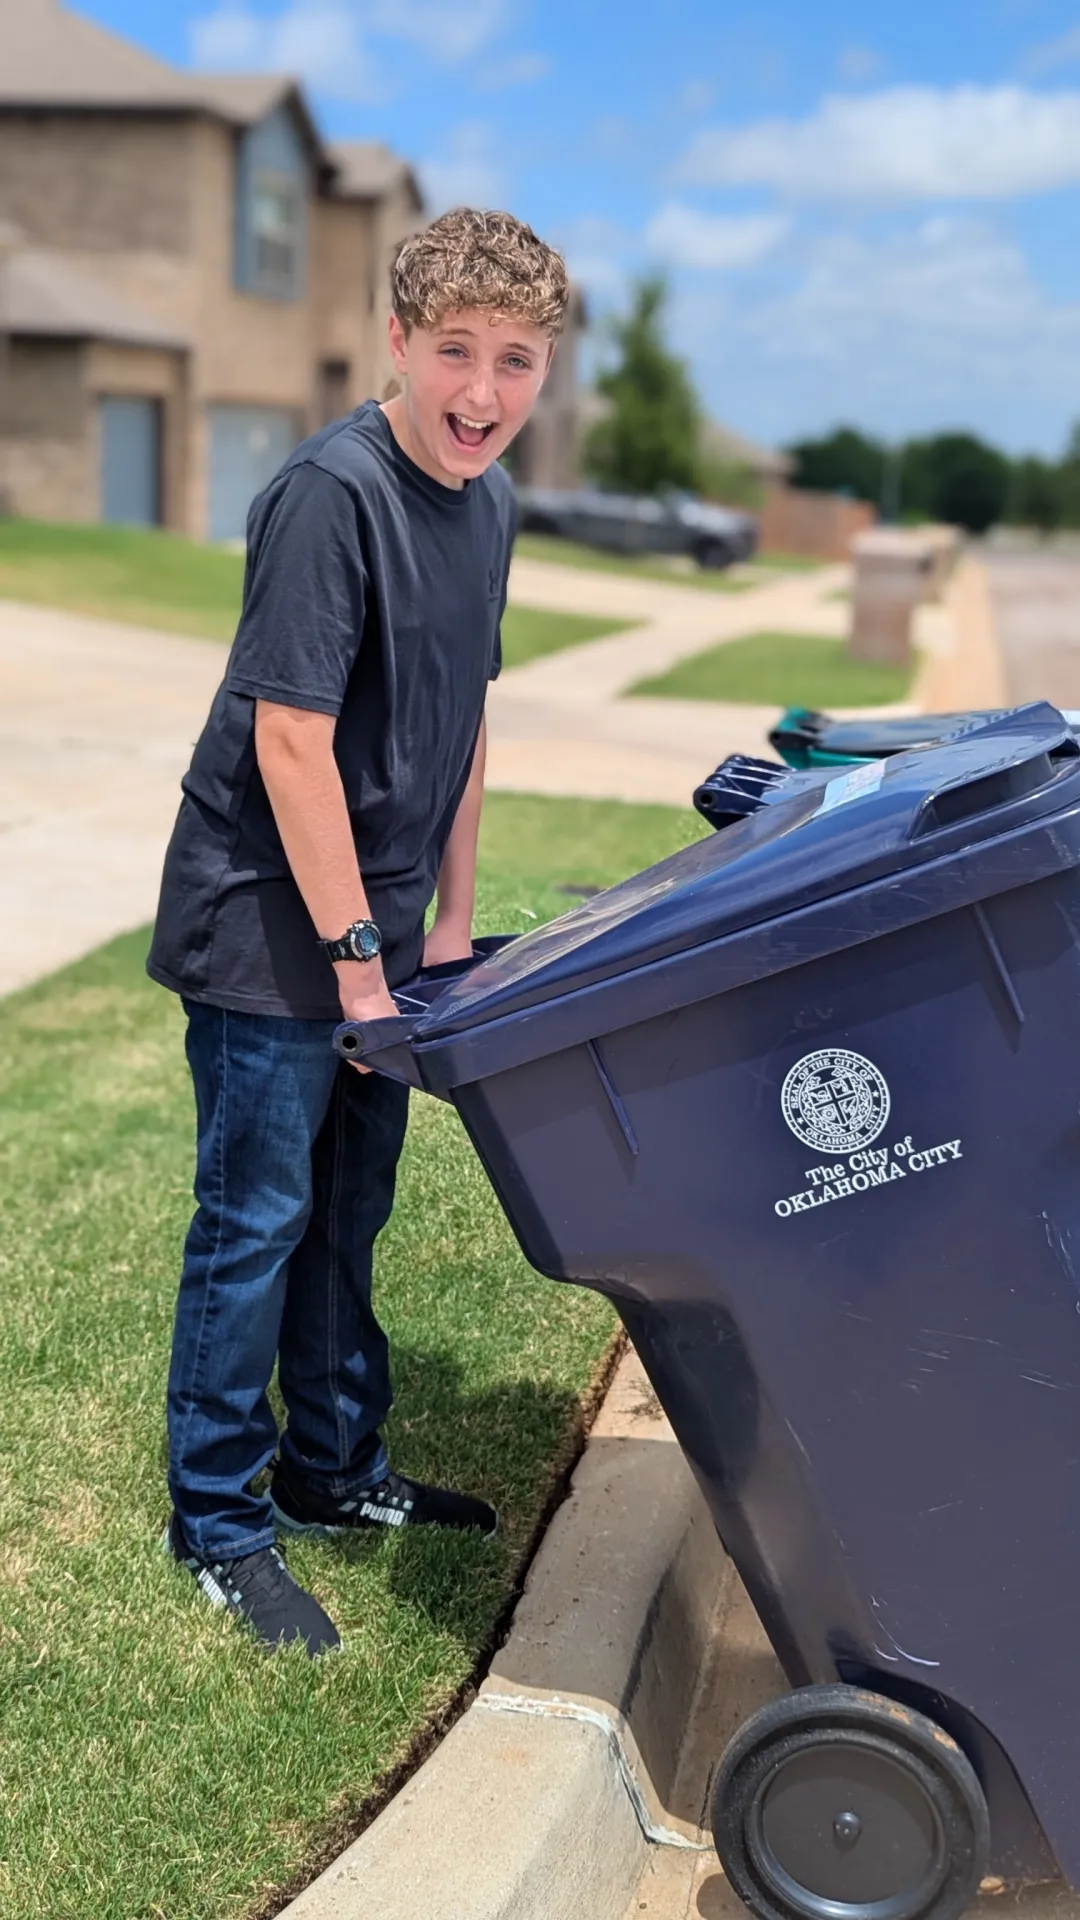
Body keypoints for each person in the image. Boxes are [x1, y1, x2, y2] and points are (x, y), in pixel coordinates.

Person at [148, 207, 570, 1657]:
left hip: (380, 931)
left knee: (351, 1215)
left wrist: (445, 926)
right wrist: (355, 965)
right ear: (398, 341)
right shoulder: (332, 495)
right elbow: (290, 743)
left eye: (516, 360)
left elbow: (462, 721)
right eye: (455, 350)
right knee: (256, 1221)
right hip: (273, 926)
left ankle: (333, 1473)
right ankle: (217, 1519)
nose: (482, 392)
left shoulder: (492, 504)